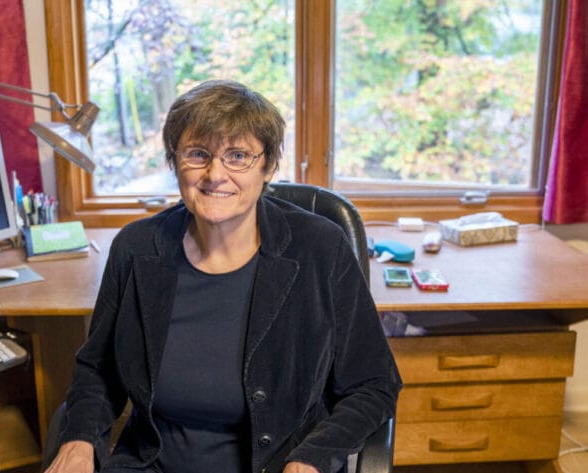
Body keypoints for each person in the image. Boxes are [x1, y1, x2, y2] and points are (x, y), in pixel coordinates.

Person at [44, 80, 401, 473]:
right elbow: (98, 369)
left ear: (267, 167)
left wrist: (310, 459)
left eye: (237, 156)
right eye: (198, 154)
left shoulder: (320, 248)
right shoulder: (137, 248)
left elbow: (374, 385)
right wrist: (78, 439)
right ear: (174, 162)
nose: (215, 174)